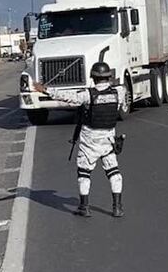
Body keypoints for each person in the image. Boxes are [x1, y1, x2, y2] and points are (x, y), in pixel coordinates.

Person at [32, 61, 126, 218]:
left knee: (84, 173)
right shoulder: (119, 93)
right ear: (108, 77)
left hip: (89, 139)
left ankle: (84, 206)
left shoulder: (87, 95)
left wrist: (46, 90)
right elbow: (118, 90)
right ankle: (117, 207)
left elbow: (68, 97)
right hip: (109, 139)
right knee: (113, 172)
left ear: (93, 78)